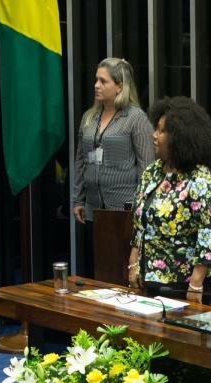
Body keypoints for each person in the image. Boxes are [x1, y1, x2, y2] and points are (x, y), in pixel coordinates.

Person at [128, 96, 211, 303]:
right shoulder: (152, 172)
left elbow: (209, 240)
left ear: (179, 138)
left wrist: (196, 284)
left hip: (183, 287)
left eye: (161, 131)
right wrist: (133, 265)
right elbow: (139, 226)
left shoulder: (202, 180)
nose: (154, 136)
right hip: (148, 281)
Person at [73, 57, 154, 277]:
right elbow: (80, 160)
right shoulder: (89, 117)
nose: (96, 85)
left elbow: (148, 168)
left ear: (120, 86)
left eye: (103, 81)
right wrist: (78, 198)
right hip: (93, 209)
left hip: (124, 211)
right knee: (95, 271)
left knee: (118, 272)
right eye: (96, 80)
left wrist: (141, 209)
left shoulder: (136, 119)